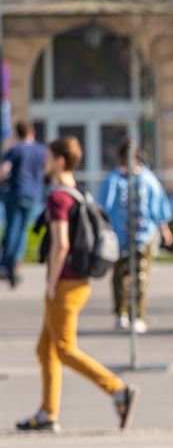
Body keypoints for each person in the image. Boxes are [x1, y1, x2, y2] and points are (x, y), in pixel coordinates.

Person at [15, 136, 139, 433]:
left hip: (65, 284)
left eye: (47, 158)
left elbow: (61, 244)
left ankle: (118, 389)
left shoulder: (58, 198)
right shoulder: (79, 193)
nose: (43, 163)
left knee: (65, 349)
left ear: (59, 161)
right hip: (80, 282)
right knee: (46, 349)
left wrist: (51, 282)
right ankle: (48, 413)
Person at [98, 140, 173, 334]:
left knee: (141, 277)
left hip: (144, 235)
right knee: (120, 275)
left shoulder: (148, 179)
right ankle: (121, 313)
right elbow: (103, 206)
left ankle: (137, 315)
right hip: (119, 235)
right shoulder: (113, 179)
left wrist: (164, 228)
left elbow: (157, 204)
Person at [1, 121, 47, 288]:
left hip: (15, 192)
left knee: (13, 227)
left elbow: (4, 170)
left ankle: (8, 262)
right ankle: (16, 259)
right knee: (23, 229)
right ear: (32, 132)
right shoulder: (41, 150)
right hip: (33, 194)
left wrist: (5, 181)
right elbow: (47, 170)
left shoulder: (15, 150)